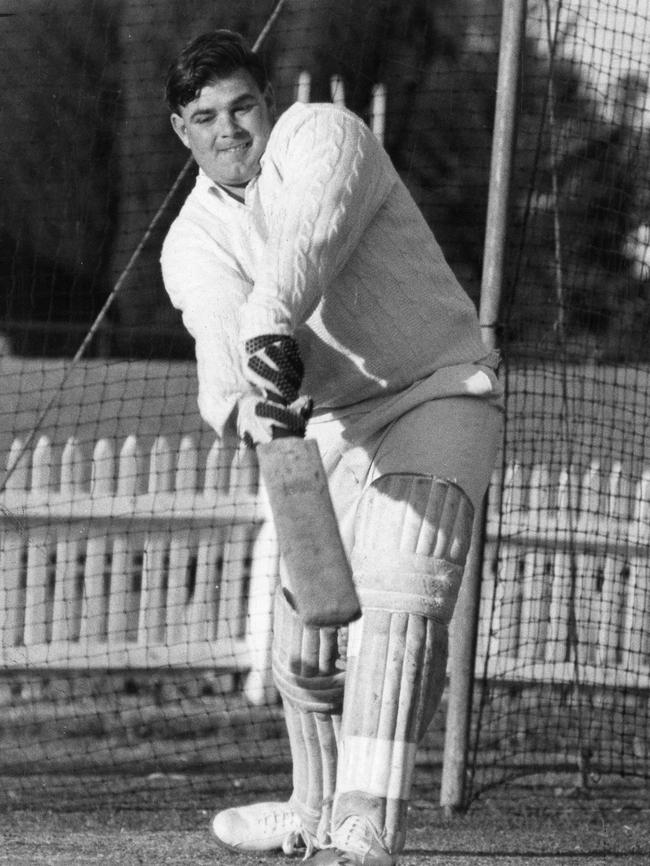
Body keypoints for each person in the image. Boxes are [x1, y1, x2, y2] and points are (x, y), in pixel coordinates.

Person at [161, 29, 503, 866]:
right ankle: (311, 809)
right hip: (327, 424)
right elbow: (218, 351)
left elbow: (309, 240)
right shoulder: (190, 240)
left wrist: (272, 323)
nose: (229, 130)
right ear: (182, 131)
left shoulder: (325, 135)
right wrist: (247, 410)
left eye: (242, 106)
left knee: (400, 591)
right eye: (205, 117)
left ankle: (364, 823)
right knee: (304, 647)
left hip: (437, 389)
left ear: (267, 101)